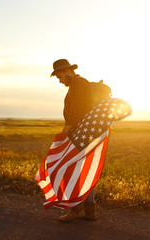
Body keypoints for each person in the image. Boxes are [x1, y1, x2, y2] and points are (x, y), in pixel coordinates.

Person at [50, 59, 97, 222]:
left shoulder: (78, 84)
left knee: (74, 171)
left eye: (60, 76)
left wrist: (64, 134)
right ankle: (89, 211)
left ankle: (77, 209)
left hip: (79, 133)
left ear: (69, 71)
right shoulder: (80, 84)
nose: (60, 80)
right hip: (86, 133)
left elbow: (75, 111)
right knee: (84, 171)